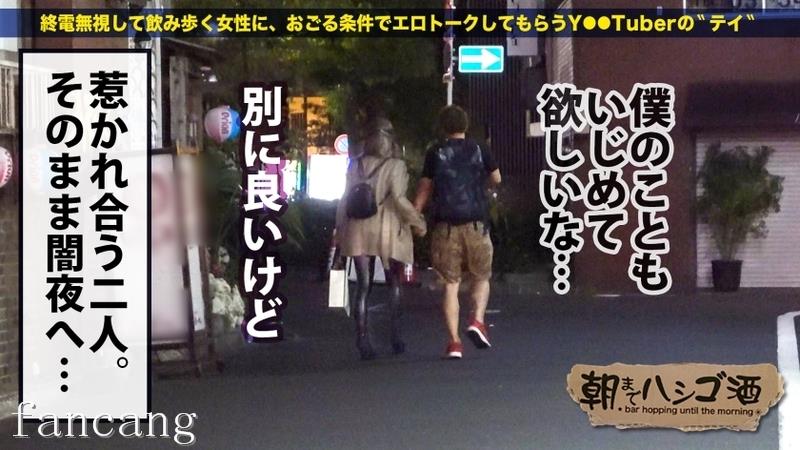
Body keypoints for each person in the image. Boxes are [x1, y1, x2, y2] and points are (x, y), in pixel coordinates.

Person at [413, 105, 501, 359]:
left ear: (443, 127)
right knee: (481, 276)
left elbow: (425, 188)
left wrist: (415, 215)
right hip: (476, 225)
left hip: (445, 227)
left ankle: (454, 343)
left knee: (451, 285)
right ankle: (477, 320)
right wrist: (479, 184)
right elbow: (496, 178)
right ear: (465, 125)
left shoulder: (435, 152)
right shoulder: (480, 149)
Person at [335, 118, 426, 360]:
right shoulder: (396, 166)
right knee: (393, 282)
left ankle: (362, 339)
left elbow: (344, 199)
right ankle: (395, 337)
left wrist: (339, 231)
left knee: (363, 285)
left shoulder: (355, 164)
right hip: (387, 229)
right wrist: (417, 221)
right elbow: (399, 199)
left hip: (356, 228)